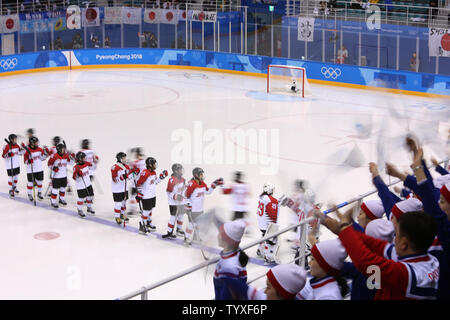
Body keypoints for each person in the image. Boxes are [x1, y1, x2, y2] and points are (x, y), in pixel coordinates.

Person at [315, 204, 439, 300]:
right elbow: (378, 245)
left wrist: (345, 230)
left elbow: (364, 261)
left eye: (398, 235)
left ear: (404, 244)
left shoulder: (408, 275)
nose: (394, 239)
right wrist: (341, 229)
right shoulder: (426, 259)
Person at [184, 168, 223, 245]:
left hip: (200, 208)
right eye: (201, 174)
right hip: (193, 209)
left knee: (198, 224)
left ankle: (195, 238)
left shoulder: (203, 184)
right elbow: (186, 195)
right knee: (191, 224)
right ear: (196, 175)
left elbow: (208, 192)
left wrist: (213, 185)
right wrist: (188, 205)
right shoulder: (192, 184)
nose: (202, 176)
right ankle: (186, 238)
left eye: (202, 174)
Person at [214, 219, 249, 300]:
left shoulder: (229, 268)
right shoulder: (236, 255)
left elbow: (226, 296)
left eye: (220, 233)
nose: (217, 235)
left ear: (225, 240)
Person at [136, 157, 168, 234]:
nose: (155, 165)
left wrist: (161, 177)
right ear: (150, 165)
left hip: (152, 195)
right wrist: (139, 194)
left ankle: (148, 223)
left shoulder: (153, 173)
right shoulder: (145, 173)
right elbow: (139, 183)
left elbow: (155, 182)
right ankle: (142, 225)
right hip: (146, 196)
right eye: (154, 164)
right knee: (146, 211)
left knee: (150, 209)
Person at [256, 182, 280, 264]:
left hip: (261, 224)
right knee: (272, 241)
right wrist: (274, 226)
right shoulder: (271, 200)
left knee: (264, 235)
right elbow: (272, 215)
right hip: (267, 225)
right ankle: (268, 257)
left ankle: (260, 250)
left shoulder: (262, 197)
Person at [162, 163, 188, 239]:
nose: (181, 171)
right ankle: (169, 232)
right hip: (173, 202)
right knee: (173, 217)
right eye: (180, 169)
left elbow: (183, 189)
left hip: (181, 201)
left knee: (181, 215)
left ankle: (179, 229)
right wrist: (175, 196)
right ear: (176, 171)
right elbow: (168, 192)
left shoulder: (183, 179)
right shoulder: (172, 180)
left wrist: (185, 197)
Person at [111, 152, 136, 225]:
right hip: (117, 189)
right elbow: (115, 179)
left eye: (125, 158)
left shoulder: (127, 167)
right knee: (118, 204)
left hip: (124, 189)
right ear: (119, 159)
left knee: (124, 203)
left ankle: (122, 214)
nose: (125, 159)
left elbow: (129, 177)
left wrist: (134, 173)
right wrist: (123, 177)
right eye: (123, 158)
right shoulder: (115, 167)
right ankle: (117, 216)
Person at [47, 143, 74, 208]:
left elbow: (71, 163)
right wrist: (53, 168)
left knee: (63, 188)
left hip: (64, 176)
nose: (64, 150)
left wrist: (72, 157)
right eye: (62, 149)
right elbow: (49, 164)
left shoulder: (66, 156)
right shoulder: (54, 156)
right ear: (59, 150)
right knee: (55, 189)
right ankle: (53, 201)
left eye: (64, 149)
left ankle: (61, 199)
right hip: (56, 176)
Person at [22, 136, 48, 202]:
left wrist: (45, 154)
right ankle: (29, 194)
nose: (37, 143)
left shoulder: (39, 149)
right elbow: (25, 161)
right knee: (30, 183)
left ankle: (39, 193)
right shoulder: (27, 151)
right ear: (32, 143)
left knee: (40, 182)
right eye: (36, 142)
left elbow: (42, 158)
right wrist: (29, 161)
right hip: (31, 170)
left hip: (39, 169)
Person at [72, 151, 95, 218]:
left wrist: (94, 162)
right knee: (81, 199)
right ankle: (79, 209)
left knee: (90, 196)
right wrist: (78, 175)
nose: (86, 159)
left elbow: (91, 165)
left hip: (88, 184)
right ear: (80, 159)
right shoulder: (76, 168)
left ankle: (89, 208)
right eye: (84, 158)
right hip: (80, 186)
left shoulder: (86, 163)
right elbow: (74, 177)